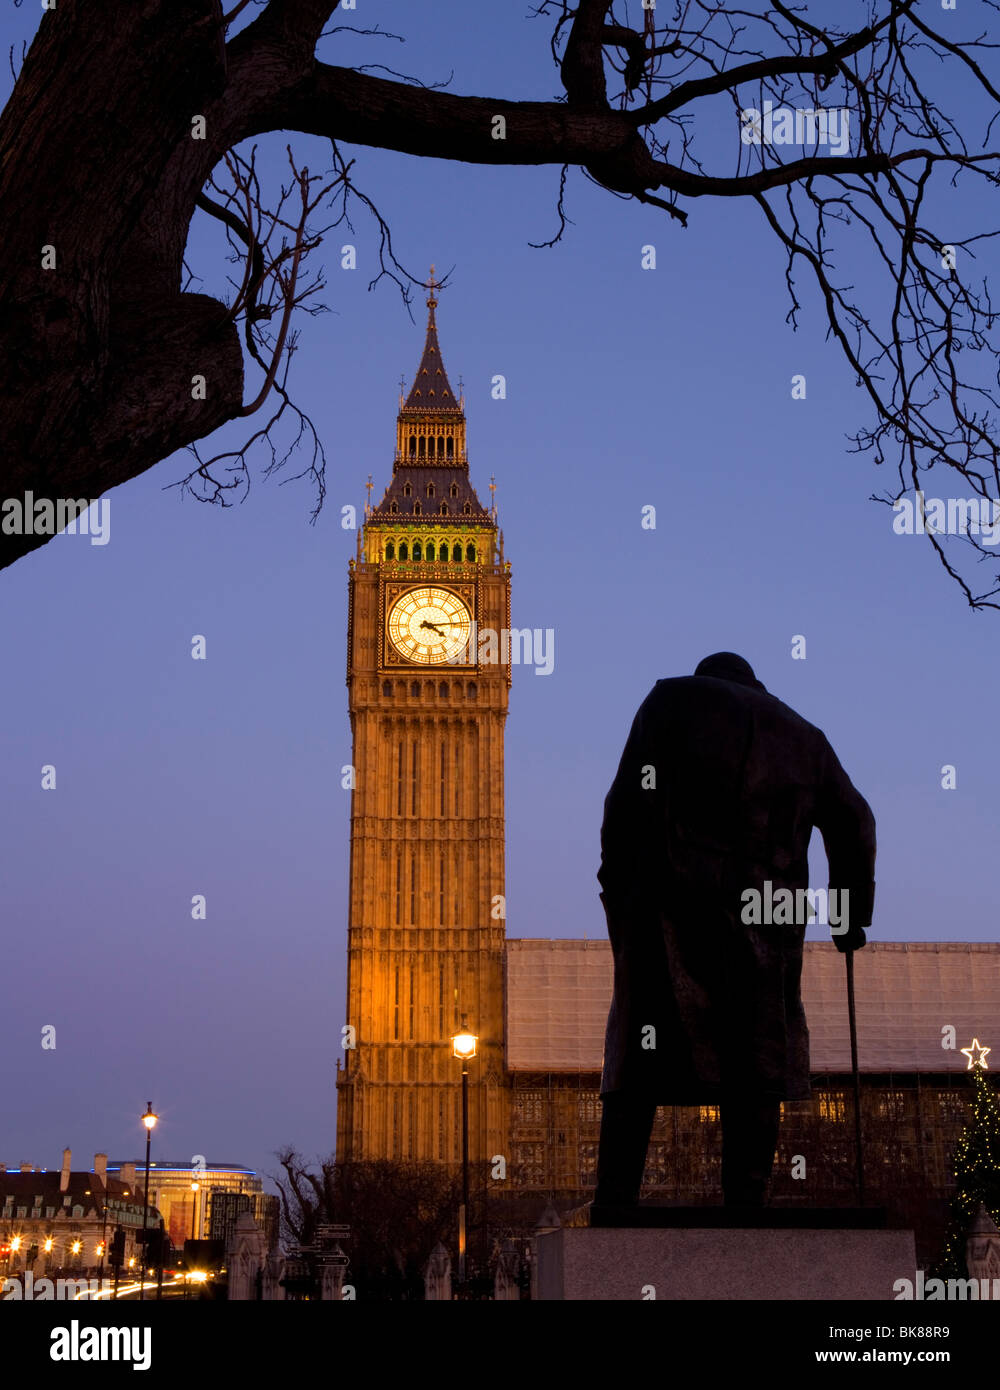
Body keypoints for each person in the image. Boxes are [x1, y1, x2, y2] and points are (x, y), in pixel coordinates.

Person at [593, 652, 875, 1209]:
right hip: (766, 912)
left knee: (641, 1043)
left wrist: (618, 891)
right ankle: (746, 1203)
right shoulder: (805, 736)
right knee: (756, 1054)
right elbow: (856, 822)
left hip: (671, 897)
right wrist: (847, 916)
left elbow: (625, 802)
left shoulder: (668, 699)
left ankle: (615, 1198)